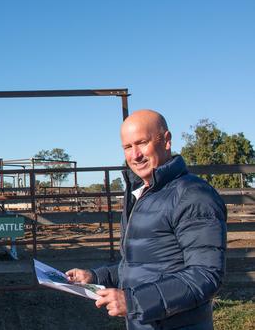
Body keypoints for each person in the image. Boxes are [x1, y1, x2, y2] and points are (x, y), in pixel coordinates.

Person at [66, 109, 227, 329]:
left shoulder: (192, 195)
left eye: (142, 143)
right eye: (127, 147)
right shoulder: (143, 193)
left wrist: (134, 301)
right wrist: (95, 276)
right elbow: (140, 266)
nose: (135, 155)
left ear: (167, 141)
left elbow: (205, 275)